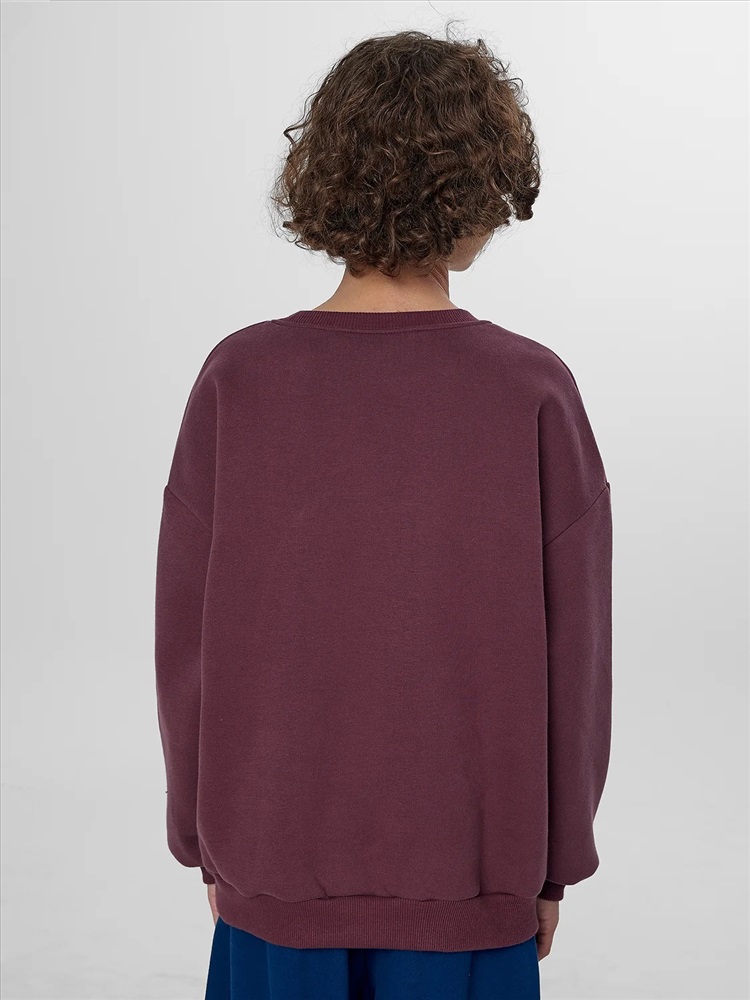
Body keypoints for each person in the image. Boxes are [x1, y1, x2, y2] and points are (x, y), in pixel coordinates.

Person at [154, 25, 613, 1000]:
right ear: (482, 185)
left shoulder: (239, 380)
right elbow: (574, 656)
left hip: (273, 868)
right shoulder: (531, 389)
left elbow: (186, 644)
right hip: (469, 881)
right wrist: (554, 861)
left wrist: (206, 837)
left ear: (328, 174)